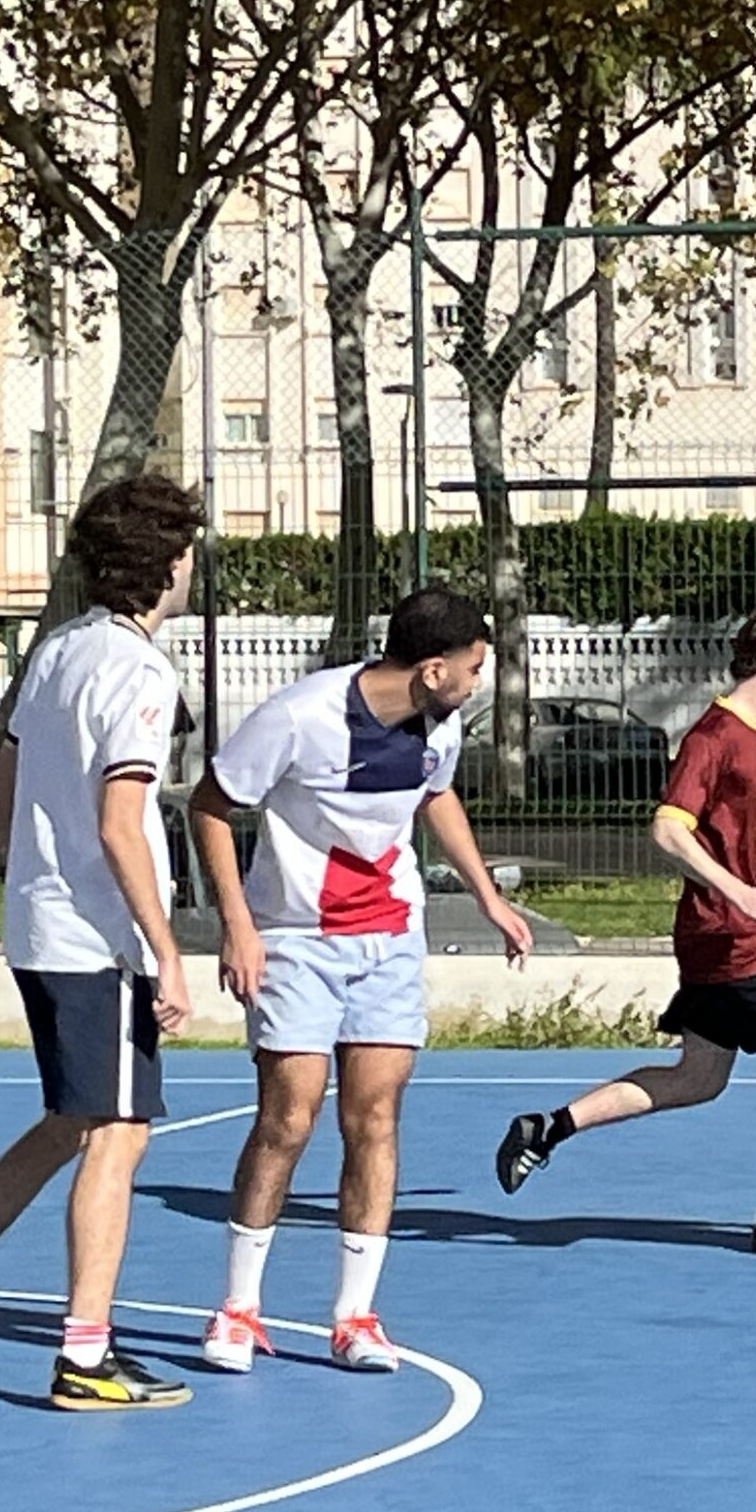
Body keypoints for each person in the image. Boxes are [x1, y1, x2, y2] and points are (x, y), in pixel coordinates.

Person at [0, 473, 205, 1410]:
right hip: (98, 943)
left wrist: (34, 874)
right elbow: (119, 823)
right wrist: (166, 950)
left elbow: (2, 789)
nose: (193, 565)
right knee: (118, 1136)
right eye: (187, 550)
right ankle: (84, 1355)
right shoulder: (139, 671)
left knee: (73, 1120)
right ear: (164, 562)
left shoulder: (60, 648)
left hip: (41, 927)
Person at [190, 586, 531, 1374]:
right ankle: (238, 1308)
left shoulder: (441, 724)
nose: (478, 682)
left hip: (390, 942)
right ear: (434, 669)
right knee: (289, 1118)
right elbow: (210, 805)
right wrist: (237, 926)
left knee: (374, 1118)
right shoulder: (300, 716)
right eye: (475, 668)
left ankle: (355, 1318)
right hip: (296, 941)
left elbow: (436, 797)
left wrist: (488, 897)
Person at [491, 598, 756, 1254]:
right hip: (731, 942)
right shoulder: (713, 737)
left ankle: (546, 1129)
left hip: (717, 939)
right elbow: (668, 828)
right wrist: (737, 890)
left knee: (699, 1078)